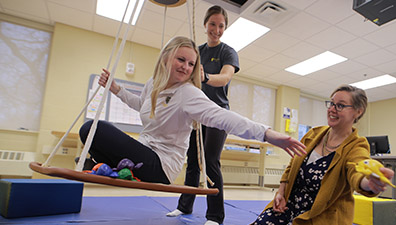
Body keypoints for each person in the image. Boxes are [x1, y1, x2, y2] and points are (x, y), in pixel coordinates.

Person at [79, 36, 306, 193]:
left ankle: (117, 167)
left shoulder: (187, 93)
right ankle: (119, 168)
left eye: (191, 64)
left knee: (93, 129)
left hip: (161, 166)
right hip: (144, 152)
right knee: (88, 131)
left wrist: (267, 134)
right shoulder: (153, 83)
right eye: (181, 60)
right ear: (167, 57)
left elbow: (223, 117)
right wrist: (116, 89)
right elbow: (142, 106)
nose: (186, 67)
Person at [251, 85, 395, 225]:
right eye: (331, 103)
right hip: (287, 206)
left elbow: (356, 170)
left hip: (320, 215)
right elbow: (291, 167)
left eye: (340, 105)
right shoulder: (313, 134)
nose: (332, 109)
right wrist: (281, 193)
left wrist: (368, 183)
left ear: (358, 112)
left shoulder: (357, 145)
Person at [166, 5, 239, 225]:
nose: (216, 30)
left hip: (217, 114)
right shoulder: (196, 52)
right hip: (195, 114)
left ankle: (215, 216)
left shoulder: (228, 52)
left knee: (210, 161)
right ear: (205, 24)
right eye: (213, 24)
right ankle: (184, 206)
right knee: (192, 162)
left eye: (221, 26)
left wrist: (204, 76)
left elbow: (225, 78)